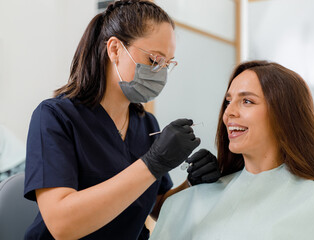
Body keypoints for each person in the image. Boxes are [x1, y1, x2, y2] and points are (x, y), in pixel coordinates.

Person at [23, 1, 220, 239]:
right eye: (155, 61)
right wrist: (152, 163)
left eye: (167, 64)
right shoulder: (55, 117)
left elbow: (155, 204)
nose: (161, 74)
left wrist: (190, 184)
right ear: (115, 49)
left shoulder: (146, 124)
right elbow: (62, 225)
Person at [150, 60, 314, 240]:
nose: (228, 113)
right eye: (229, 101)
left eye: (247, 101)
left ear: (285, 115)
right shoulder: (187, 203)